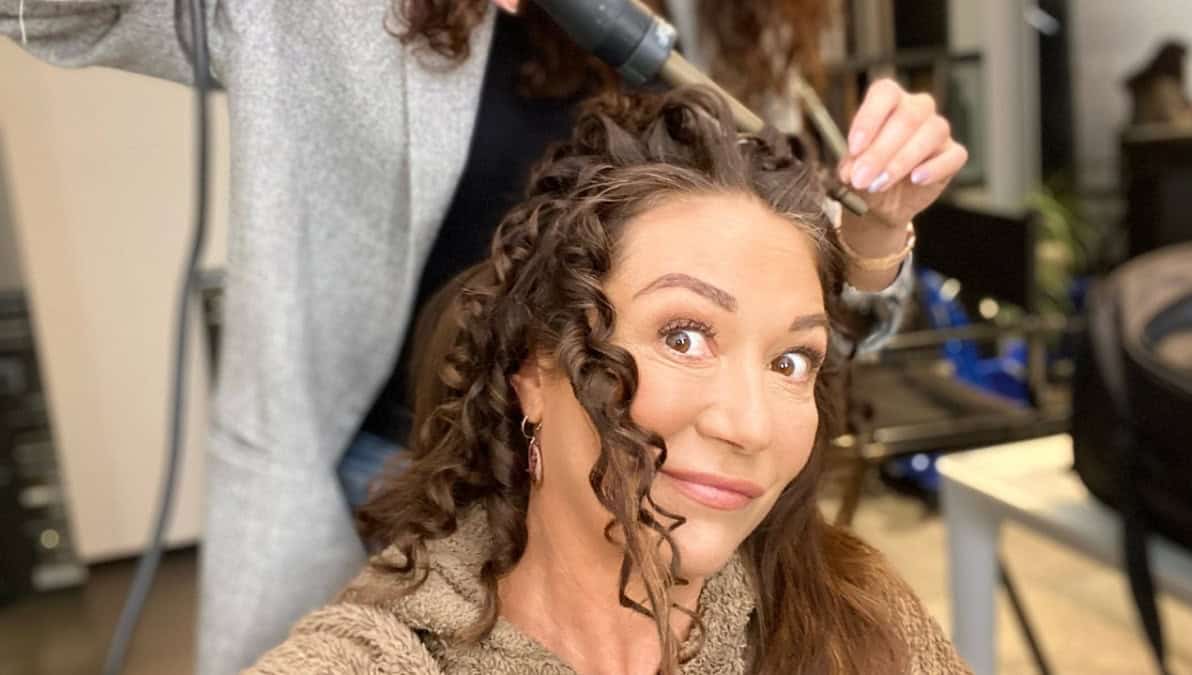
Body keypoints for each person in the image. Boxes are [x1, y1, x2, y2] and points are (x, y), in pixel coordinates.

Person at [1, 2, 964, 672]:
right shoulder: (331, 16)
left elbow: (793, 312)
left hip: (637, 456)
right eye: (680, 332)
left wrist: (875, 232)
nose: (752, 421)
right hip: (362, 453)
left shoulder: (733, 30)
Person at [248, 87, 969, 675]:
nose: (749, 425)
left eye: (789, 362)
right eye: (683, 337)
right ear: (534, 368)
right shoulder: (378, 658)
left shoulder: (857, 619)